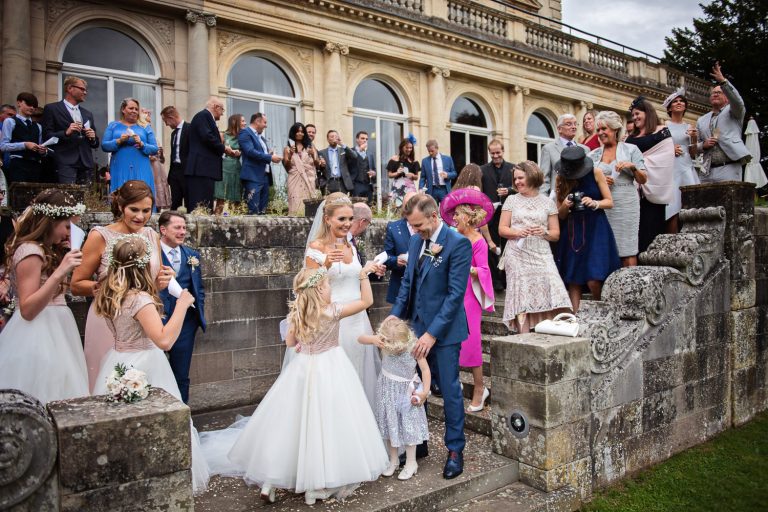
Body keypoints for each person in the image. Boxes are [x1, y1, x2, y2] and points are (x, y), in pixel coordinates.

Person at [226, 266, 389, 505]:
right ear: (320, 289)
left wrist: (305, 344)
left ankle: (271, 481)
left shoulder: (297, 314)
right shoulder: (333, 311)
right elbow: (367, 301)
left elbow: (290, 343)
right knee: (325, 422)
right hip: (331, 367)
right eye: (328, 284)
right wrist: (363, 275)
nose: (331, 288)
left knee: (292, 422)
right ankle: (315, 486)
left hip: (302, 368)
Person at [91, 234, 209, 494]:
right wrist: (182, 304)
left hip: (117, 360)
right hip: (144, 366)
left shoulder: (110, 293)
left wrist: (155, 288)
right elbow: (164, 340)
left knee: (122, 429)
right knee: (156, 427)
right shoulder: (139, 299)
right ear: (145, 265)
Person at [388, 194, 472, 480]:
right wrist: (395, 317)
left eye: (419, 225)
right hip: (416, 328)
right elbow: (408, 284)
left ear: (434, 216)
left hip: (445, 332)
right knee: (412, 387)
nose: (415, 230)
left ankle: (455, 450)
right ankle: (418, 442)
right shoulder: (415, 242)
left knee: (449, 390)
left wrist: (432, 334)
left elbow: (454, 296)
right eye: (412, 226)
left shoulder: (458, 243)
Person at [71, 180, 173, 391]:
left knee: (145, 384)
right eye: (134, 209)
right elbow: (76, 284)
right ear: (120, 206)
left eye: (146, 210)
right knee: (108, 385)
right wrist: (109, 288)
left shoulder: (152, 235)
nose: (140, 216)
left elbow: (151, 282)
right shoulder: (100, 236)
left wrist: (162, 280)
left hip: (144, 321)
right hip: (109, 317)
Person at [0, 189, 88, 404]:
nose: (69, 233)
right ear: (50, 222)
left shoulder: (49, 249)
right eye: (67, 226)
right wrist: (60, 271)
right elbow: (28, 309)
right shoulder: (31, 251)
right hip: (37, 332)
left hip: (59, 328)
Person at [304, 193, 384, 406]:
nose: (347, 224)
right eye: (341, 219)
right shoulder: (317, 247)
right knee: (335, 376)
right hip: (333, 322)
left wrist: (368, 270)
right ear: (327, 219)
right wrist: (325, 265)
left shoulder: (350, 246)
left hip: (358, 320)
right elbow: (306, 288)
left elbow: (355, 278)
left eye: (350, 218)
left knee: (358, 371)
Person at [439, 188, 495, 412]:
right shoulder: (453, 238)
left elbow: (484, 270)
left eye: (457, 215)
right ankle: (455, 385)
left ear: (467, 217)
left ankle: (480, 388)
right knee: (451, 340)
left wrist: (467, 268)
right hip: (452, 292)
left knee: (471, 342)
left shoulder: (479, 241)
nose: (454, 219)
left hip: (470, 295)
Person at [499, 162, 571, 332]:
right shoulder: (511, 200)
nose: (517, 182)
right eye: (515, 179)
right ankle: (523, 337)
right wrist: (518, 232)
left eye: (520, 178)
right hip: (517, 253)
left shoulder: (548, 203)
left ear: (532, 177)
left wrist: (544, 232)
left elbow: (556, 234)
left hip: (541, 253)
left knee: (554, 287)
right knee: (521, 295)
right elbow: (502, 229)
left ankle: (551, 332)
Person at [359, 317, 430, 481]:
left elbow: (425, 370)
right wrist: (373, 339)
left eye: (398, 348)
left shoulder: (413, 346)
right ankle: (393, 460)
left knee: (408, 426)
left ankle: (411, 462)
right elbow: (360, 338)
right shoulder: (384, 341)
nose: (396, 351)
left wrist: (424, 392)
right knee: (390, 425)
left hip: (406, 393)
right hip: (386, 391)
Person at [554, 146, 620, 312]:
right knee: (574, 277)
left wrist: (595, 203)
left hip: (596, 227)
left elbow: (609, 202)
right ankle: (575, 317)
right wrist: (565, 205)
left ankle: (601, 311)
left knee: (594, 277)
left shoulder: (596, 172)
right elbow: (560, 215)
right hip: (572, 229)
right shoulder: (560, 178)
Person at [158, 211, 206, 404]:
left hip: (185, 324)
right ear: (163, 230)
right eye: (177, 227)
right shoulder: (152, 254)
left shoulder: (192, 255)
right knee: (156, 372)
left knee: (182, 375)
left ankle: (182, 413)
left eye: (184, 228)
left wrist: (197, 313)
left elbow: (199, 288)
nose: (183, 231)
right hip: (156, 321)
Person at [589, 111, 648, 267]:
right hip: (603, 205)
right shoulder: (592, 155)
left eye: (604, 129)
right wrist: (599, 182)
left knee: (627, 248)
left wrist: (632, 167)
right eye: (598, 130)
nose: (600, 133)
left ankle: (630, 281)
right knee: (605, 248)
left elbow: (643, 179)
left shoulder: (631, 149)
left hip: (627, 203)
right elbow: (587, 183)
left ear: (615, 129)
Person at [626, 97, 676, 254]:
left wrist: (640, 165)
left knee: (651, 229)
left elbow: (666, 157)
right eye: (633, 115)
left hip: (654, 190)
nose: (635, 118)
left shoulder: (662, 131)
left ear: (647, 113)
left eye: (637, 114)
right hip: (634, 193)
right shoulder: (630, 137)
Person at [696, 62, 751, 183]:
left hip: (729, 167)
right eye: (713, 93)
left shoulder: (734, 111)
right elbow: (695, 144)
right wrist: (703, 145)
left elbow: (738, 101)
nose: (715, 94)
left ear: (727, 98)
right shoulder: (701, 120)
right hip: (706, 170)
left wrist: (723, 82)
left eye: (719, 92)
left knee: (730, 196)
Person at [41, 75, 99, 184]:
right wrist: (66, 133)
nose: (85, 92)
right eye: (82, 89)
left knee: (87, 195)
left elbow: (95, 144)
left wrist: (93, 138)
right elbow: (47, 136)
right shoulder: (52, 109)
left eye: (85, 90)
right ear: (70, 88)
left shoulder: (87, 114)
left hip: (86, 163)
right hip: (64, 162)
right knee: (68, 194)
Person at [102, 98, 159, 194]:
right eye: (131, 108)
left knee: (141, 194)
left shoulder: (145, 127)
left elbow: (155, 149)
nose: (134, 111)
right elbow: (104, 146)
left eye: (136, 109)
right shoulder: (113, 126)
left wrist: (142, 144)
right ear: (123, 109)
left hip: (141, 167)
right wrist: (119, 141)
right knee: (120, 195)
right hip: (120, 167)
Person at [479, 139, 515, 291]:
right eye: (492, 153)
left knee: (509, 246)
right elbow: (480, 192)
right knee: (491, 246)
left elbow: (520, 188)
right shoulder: (482, 170)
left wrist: (509, 191)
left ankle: (507, 278)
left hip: (509, 213)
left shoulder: (513, 168)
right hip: (490, 214)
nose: (495, 156)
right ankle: (495, 280)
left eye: (498, 152)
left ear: (503, 151)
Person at [663, 89, 700, 233]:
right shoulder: (664, 126)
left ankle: (690, 234)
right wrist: (670, 149)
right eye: (675, 101)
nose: (679, 103)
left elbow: (693, 153)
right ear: (669, 108)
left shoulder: (689, 127)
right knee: (672, 206)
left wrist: (694, 139)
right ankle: (672, 237)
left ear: (685, 107)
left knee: (689, 204)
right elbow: (658, 147)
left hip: (686, 167)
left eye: (681, 101)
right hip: (672, 167)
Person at [186, 96, 227, 210]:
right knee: (199, 206)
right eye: (222, 110)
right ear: (216, 107)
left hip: (205, 170)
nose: (222, 113)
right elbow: (207, 137)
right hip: (200, 169)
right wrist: (224, 148)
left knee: (206, 205)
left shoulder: (205, 117)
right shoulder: (203, 116)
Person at [0, 92, 49, 184]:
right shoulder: (10, 121)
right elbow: (3, 146)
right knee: (19, 191)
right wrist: (24, 145)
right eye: (28, 104)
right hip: (18, 163)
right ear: (19, 103)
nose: (32, 108)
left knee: (34, 192)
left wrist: (43, 151)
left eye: (34, 106)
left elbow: (40, 145)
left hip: (35, 165)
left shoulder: (38, 126)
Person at [239, 112, 281, 215]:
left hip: (265, 176)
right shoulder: (245, 133)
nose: (266, 125)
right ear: (257, 121)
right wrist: (270, 157)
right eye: (264, 122)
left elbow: (259, 153)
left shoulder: (261, 138)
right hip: (253, 176)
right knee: (253, 209)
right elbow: (250, 151)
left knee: (263, 210)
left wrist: (269, 154)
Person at [539, 114, 590, 197]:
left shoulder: (585, 149)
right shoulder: (548, 148)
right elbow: (544, 177)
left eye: (575, 124)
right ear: (559, 129)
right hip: (559, 197)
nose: (573, 127)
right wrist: (543, 199)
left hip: (582, 197)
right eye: (569, 124)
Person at [383, 190, 419, 304]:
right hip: (400, 287)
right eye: (406, 204)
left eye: (413, 204)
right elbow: (386, 257)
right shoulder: (393, 228)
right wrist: (396, 260)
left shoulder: (427, 226)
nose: (409, 208)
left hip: (423, 289)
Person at [283, 122, 318, 215]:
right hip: (294, 178)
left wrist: (313, 155)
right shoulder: (287, 148)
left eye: (302, 132)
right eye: (298, 131)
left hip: (309, 178)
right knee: (295, 202)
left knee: (308, 203)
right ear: (293, 133)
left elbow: (317, 164)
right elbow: (287, 167)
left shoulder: (310, 147)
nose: (300, 133)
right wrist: (290, 154)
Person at [140, 108, 171, 210]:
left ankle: (157, 206)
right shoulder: (141, 134)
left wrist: (160, 153)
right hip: (149, 166)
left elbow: (162, 158)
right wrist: (152, 154)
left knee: (159, 186)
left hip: (157, 166)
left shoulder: (153, 135)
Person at [160, 106, 189, 209]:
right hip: (174, 173)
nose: (166, 124)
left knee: (189, 202)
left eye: (165, 121)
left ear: (171, 118)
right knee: (175, 204)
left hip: (187, 172)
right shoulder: (173, 134)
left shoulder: (190, 129)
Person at [215, 114, 245, 213]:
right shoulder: (223, 135)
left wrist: (239, 152)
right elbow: (217, 151)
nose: (245, 123)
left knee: (236, 201)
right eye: (242, 121)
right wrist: (226, 150)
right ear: (234, 122)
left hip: (236, 169)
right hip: (224, 168)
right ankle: (216, 220)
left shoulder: (243, 137)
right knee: (221, 199)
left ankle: (235, 221)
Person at [317, 130, 357, 194]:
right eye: (332, 136)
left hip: (342, 182)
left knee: (342, 200)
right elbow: (319, 168)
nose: (334, 138)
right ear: (328, 139)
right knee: (328, 200)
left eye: (336, 136)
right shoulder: (322, 152)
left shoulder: (343, 150)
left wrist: (342, 144)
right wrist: (321, 165)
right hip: (328, 182)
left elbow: (354, 156)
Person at [419, 139, 456, 204]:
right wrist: (420, 188)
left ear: (437, 148)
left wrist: (447, 175)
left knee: (446, 208)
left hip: (444, 189)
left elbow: (454, 173)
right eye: (429, 151)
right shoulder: (425, 161)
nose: (430, 153)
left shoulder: (448, 159)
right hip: (431, 190)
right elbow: (423, 177)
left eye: (432, 151)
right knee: (432, 209)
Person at [387, 137, 420, 209]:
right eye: (407, 148)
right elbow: (389, 175)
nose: (409, 149)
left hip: (410, 188)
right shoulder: (394, 159)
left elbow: (416, 177)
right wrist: (397, 173)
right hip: (397, 187)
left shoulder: (414, 161)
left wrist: (412, 175)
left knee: (410, 208)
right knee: (396, 208)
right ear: (402, 147)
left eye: (410, 148)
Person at [352, 130, 376, 201]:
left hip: (368, 185)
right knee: (356, 206)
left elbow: (373, 168)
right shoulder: (351, 151)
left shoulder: (370, 154)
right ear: (357, 139)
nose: (365, 140)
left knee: (369, 206)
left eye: (366, 139)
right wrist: (360, 150)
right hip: (356, 185)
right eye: (362, 138)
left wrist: (374, 173)